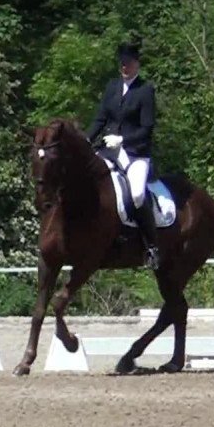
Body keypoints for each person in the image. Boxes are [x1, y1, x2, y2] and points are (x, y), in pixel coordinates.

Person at [86, 42, 160, 270]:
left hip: (135, 153)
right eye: (122, 63)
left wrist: (123, 141)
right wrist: (86, 140)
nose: (124, 67)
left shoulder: (145, 90)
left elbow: (147, 128)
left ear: (137, 64)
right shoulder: (112, 86)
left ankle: (152, 247)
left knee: (137, 194)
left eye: (128, 63)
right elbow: (100, 119)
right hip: (109, 148)